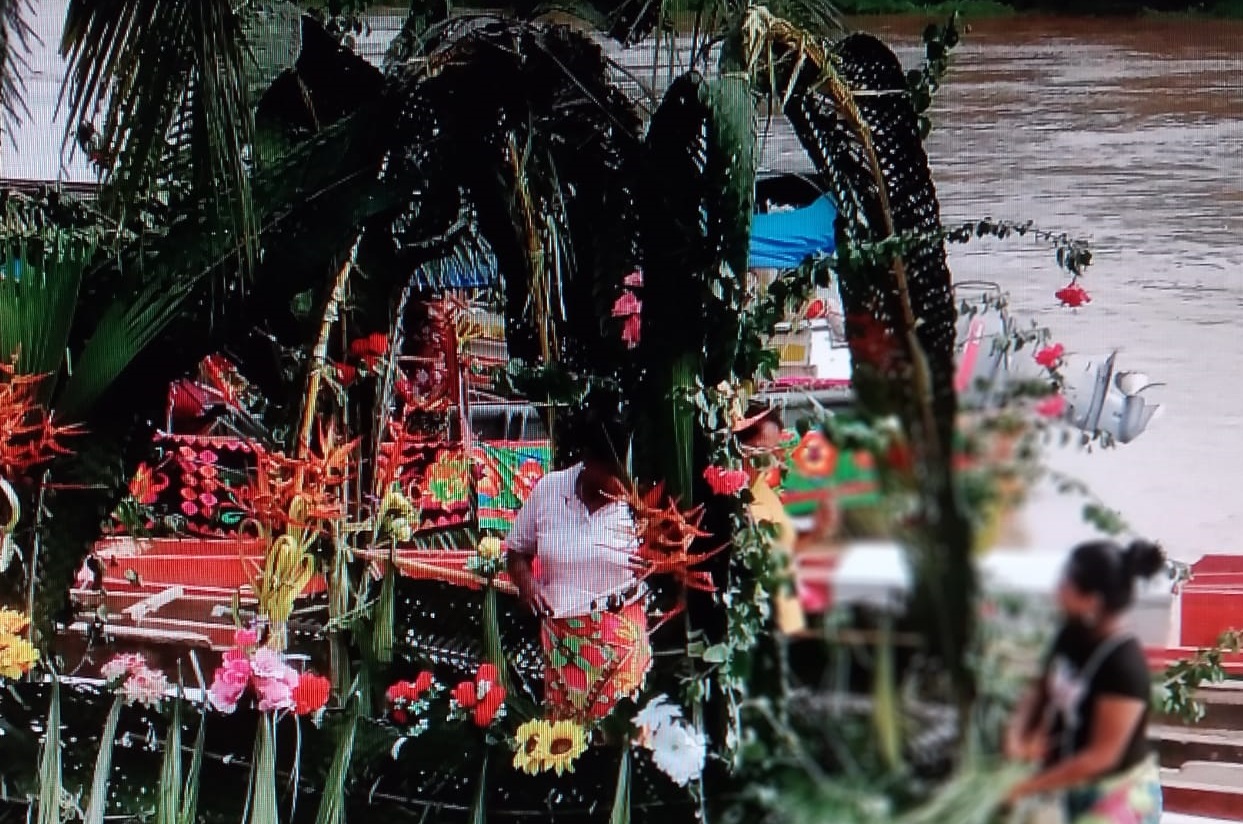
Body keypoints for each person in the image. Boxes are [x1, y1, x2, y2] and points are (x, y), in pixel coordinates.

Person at [1004, 539, 1166, 823]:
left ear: (1093, 600)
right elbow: (1040, 690)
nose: (1058, 588)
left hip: (1119, 795)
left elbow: (1102, 756)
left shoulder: (1123, 666)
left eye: (1067, 581)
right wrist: (1017, 736)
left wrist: (1024, 787)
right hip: (1075, 782)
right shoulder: (1071, 634)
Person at [505, 413, 651, 720]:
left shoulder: (639, 503)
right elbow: (516, 552)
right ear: (588, 462)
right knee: (566, 746)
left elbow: (666, 561)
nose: (619, 484)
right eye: (610, 473)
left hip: (623, 643)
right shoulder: (549, 489)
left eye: (623, 475)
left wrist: (656, 565)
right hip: (563, 645)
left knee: (618, 736)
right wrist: (528, 585)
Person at [733, 402, 805, 635]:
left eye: (771, 454)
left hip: (773, 622)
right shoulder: (730, 494)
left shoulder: (766, 500)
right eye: (759, 453)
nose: (765, 465)